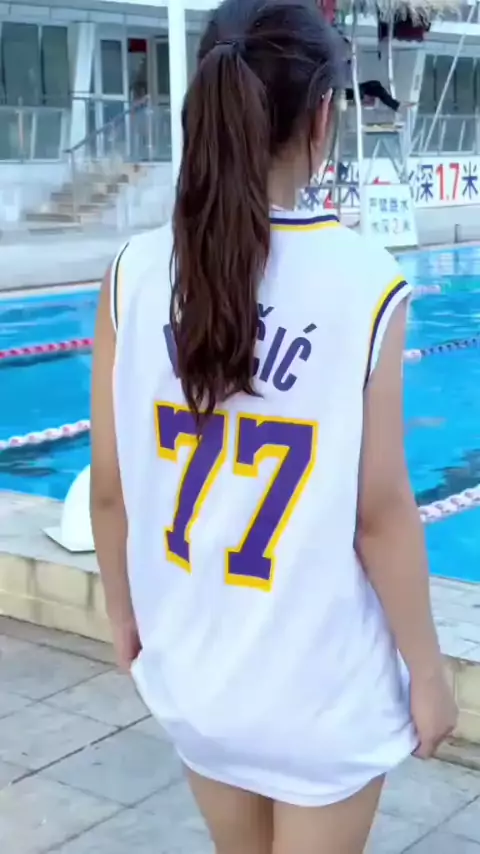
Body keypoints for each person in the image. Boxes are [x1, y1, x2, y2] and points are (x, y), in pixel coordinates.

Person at [90, 2, 457, 853]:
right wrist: (428, 674)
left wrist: (124, 618)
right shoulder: (364, 282)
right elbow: (380, 514)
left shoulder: (133, 273)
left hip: (195, 682)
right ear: (323, 116)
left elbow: (111, 492)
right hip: (317, 695)